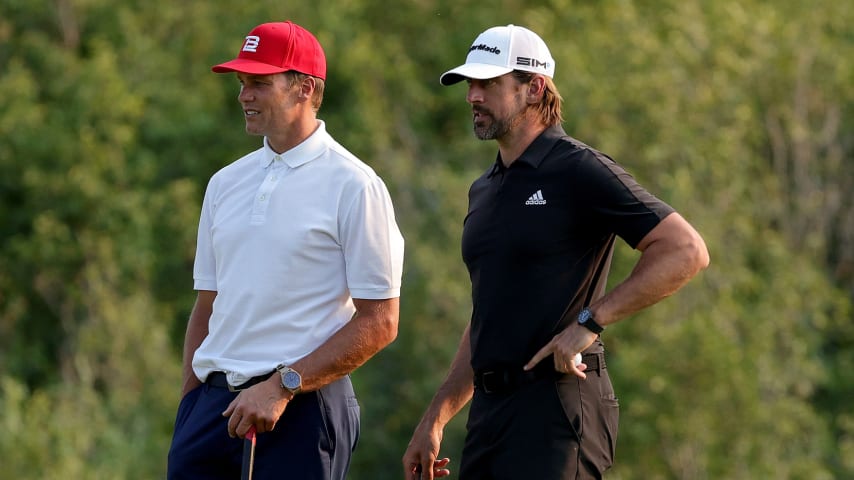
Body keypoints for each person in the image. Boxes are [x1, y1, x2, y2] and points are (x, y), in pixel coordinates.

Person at [402, 24, 709, 479]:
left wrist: (590, 322)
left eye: (488, 84)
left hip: (559, 406)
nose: (473, 97)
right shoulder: (484, 189)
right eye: (471, 84)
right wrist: (437, 417)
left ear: (534, 88)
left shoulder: (578, 169)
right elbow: (490, 311)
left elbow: (685, 250)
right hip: (490, 415)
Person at [166, 21, 404, 480]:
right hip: (211, 410)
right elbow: (208, 302)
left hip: (303, 409)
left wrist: (283, 385)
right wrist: (189, 402)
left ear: (304, 89)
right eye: (241, 83)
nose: (243, 95)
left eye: (259, 82)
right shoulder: (224, 183)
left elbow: (381, 321)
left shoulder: (355, 185)